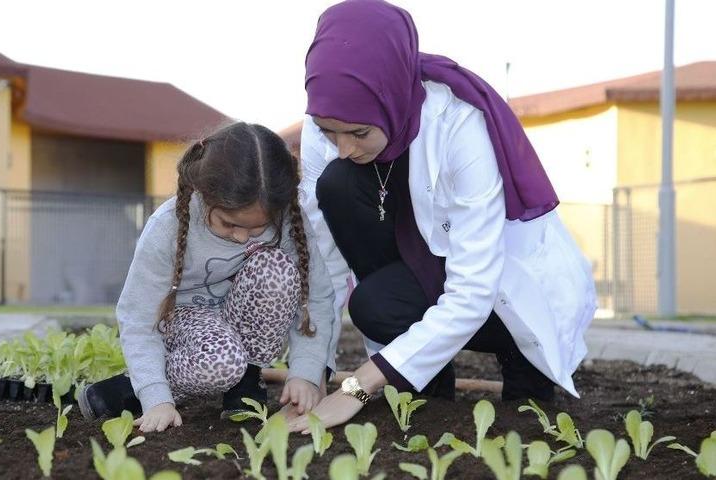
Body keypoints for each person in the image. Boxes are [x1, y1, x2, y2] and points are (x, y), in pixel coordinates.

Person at [288, 0, 596, 432]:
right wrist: (313, 372)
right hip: (427, 273)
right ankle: (422, 386)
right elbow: (325, 264)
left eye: (359, 132)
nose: (343, 148)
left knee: (526, 421)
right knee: (368, 290)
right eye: (329, 132)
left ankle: (521, 365)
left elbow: (473, 291)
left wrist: (357, 387)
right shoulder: (327, 124)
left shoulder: (459, 126)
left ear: (390, 97)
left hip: (496, 288)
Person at [77, 122, 338, 433]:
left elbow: (317, 295)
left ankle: (244, 382)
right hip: (183, 321)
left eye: (257, 230)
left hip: (234, 319)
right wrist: (156, 397)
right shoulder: (167, 227)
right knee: (222, 360)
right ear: (204, 193)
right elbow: (138, 316)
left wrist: (305, 374)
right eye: (229, 225)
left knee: (278, 271)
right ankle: (130, 388)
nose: (243, 238)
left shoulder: (287, 219)